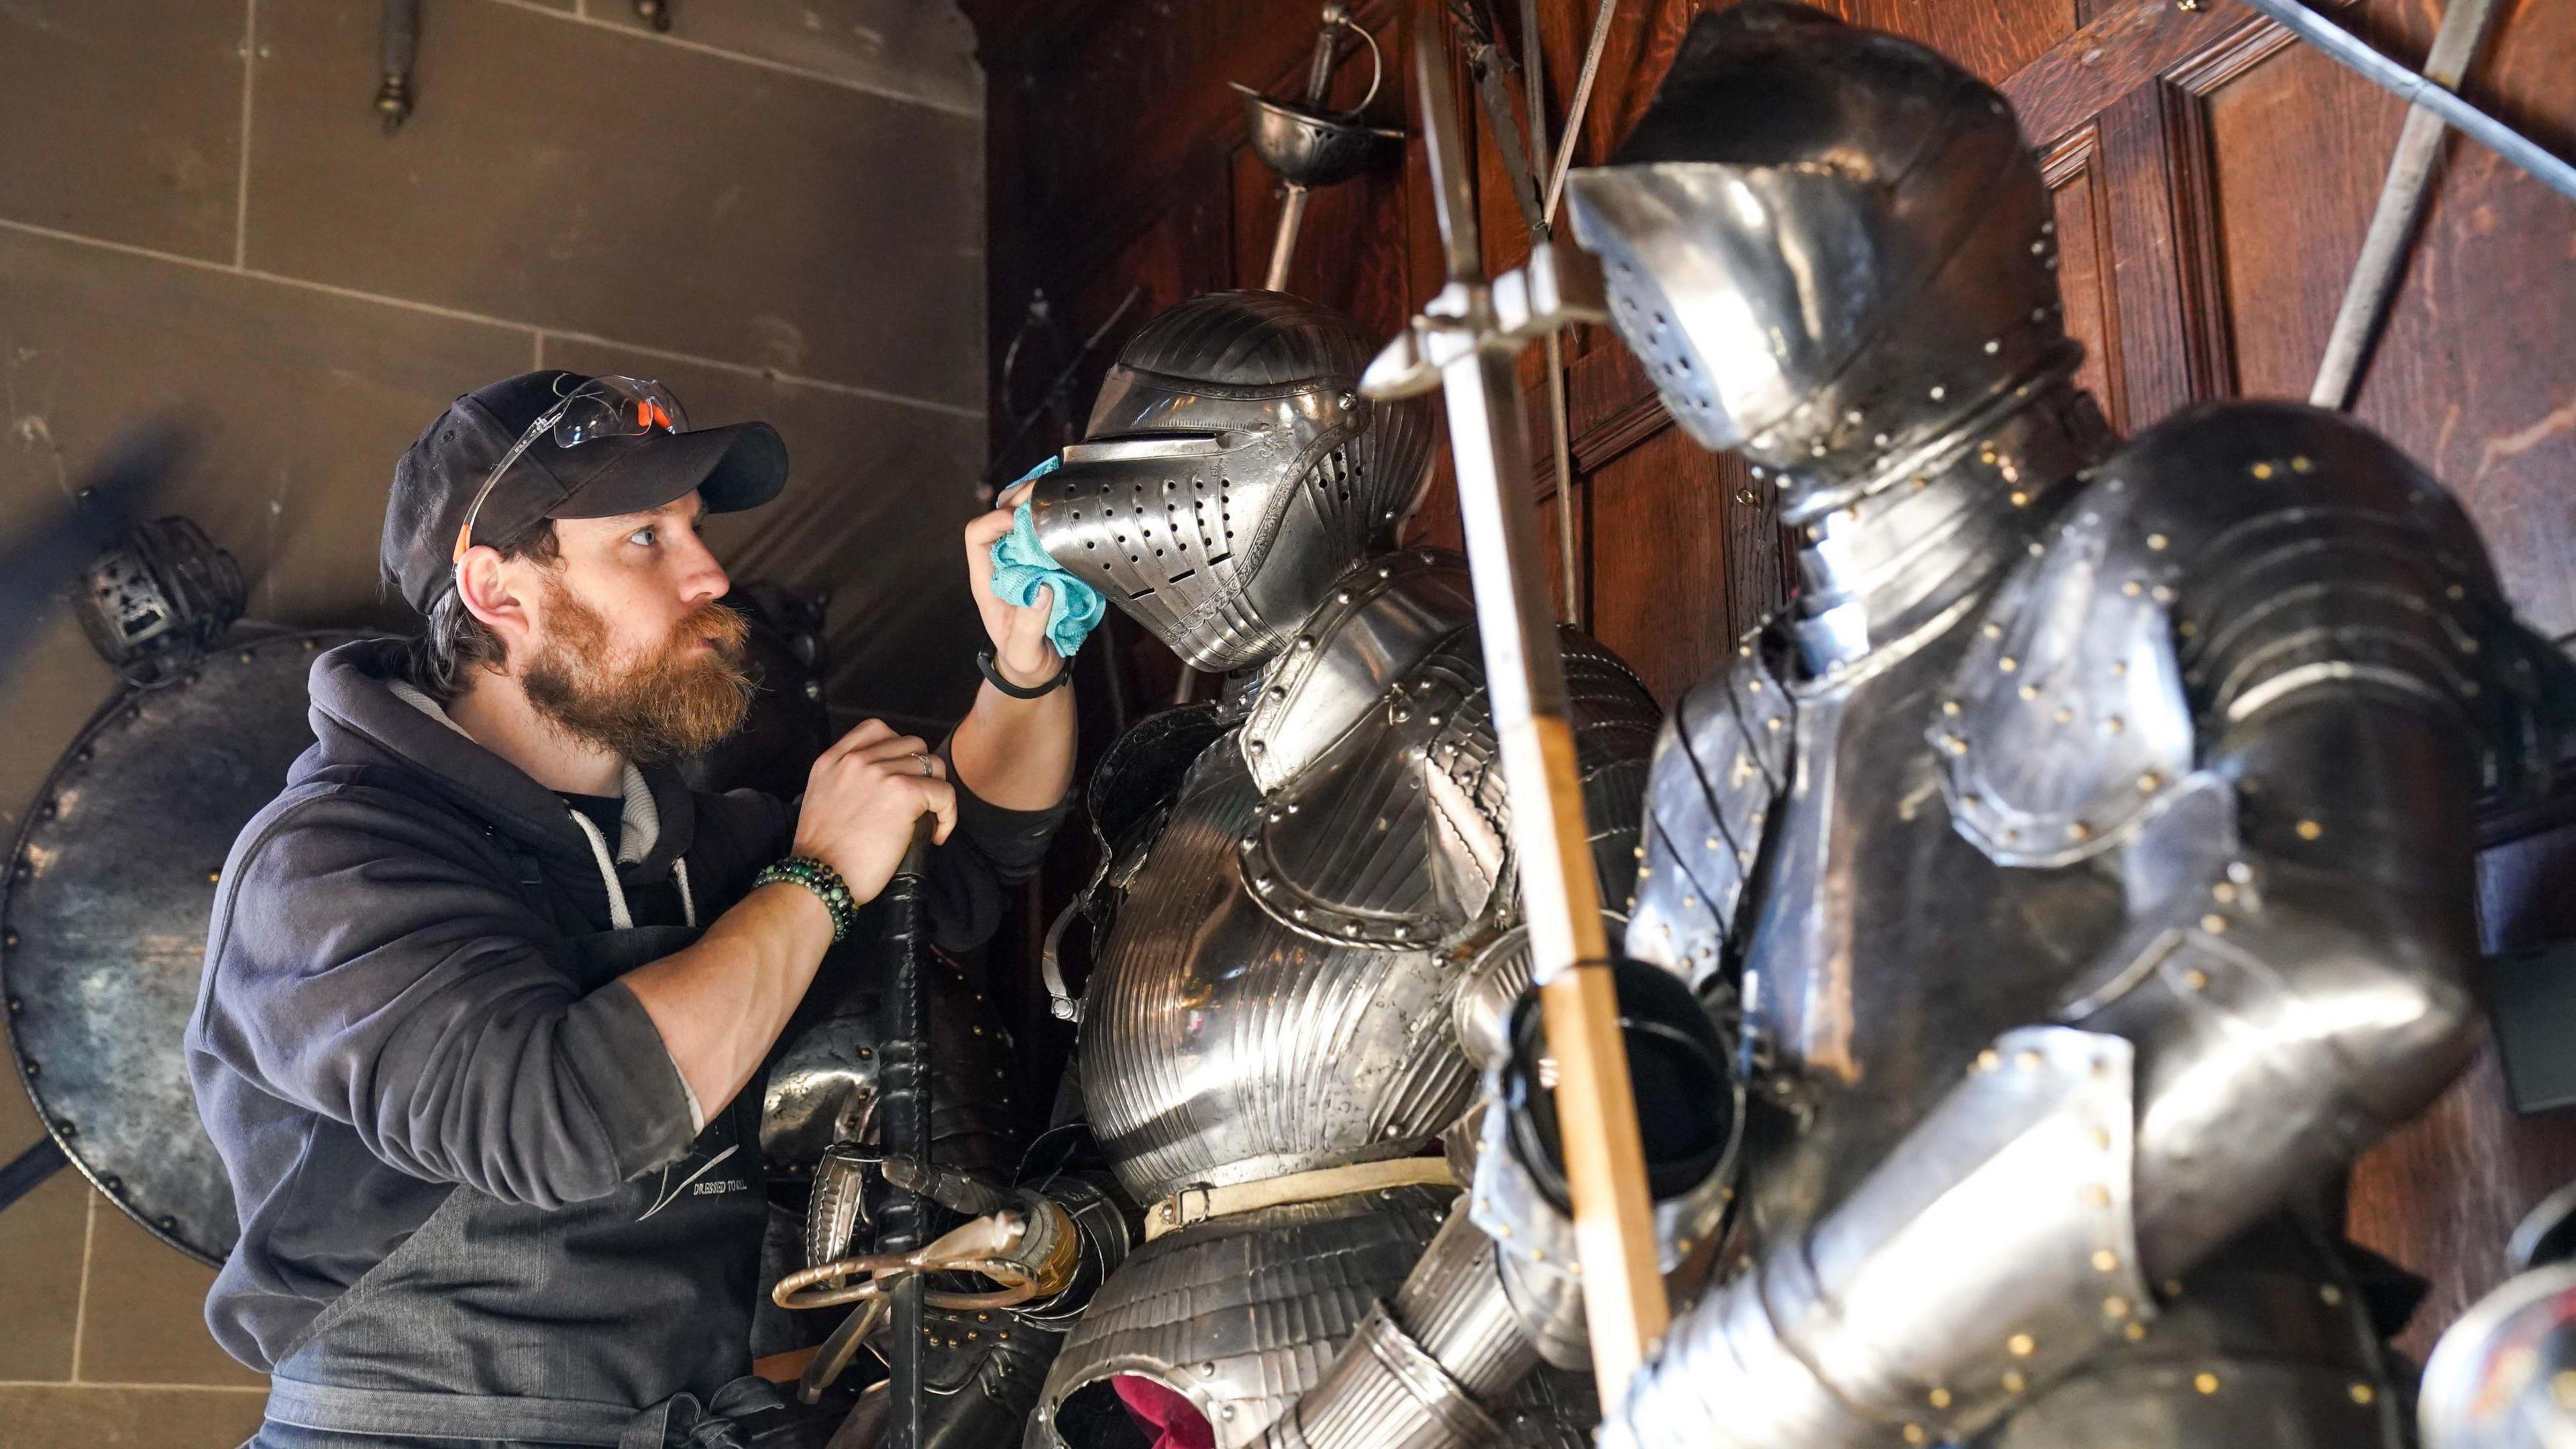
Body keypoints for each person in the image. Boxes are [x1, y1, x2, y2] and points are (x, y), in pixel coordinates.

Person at [1475, 7, 2573, 1448]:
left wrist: (1779, 1363)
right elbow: (1578, 1299)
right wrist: (1577, 1137)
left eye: (1700, 249)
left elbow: (2339, 978)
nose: (1660, 310)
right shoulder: (1720, 749)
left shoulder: (2219, 505)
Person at [185, 370, 1077, 1448]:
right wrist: (817, 878)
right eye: (646, 540)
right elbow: (561, 1118)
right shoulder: (332, 861)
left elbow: (959, 861)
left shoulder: (686, 847)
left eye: (695, 530)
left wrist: (1028, 656)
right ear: (497, 592)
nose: (711, 575)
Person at [1010, 290, 1672, 1449]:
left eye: (1137, 466)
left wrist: (1368, 1419)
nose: (1081, 516)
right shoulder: (1191, 782)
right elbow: (1156, 1171)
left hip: (1432, 1382)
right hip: (1133, 1378)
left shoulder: (1512, 707)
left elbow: (1614, 1117)